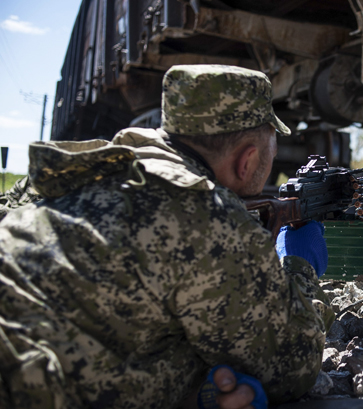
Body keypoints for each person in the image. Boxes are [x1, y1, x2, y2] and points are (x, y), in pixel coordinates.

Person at [0, 64, 334, 409]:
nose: (273, 159)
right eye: (272, 151)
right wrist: (299, 267)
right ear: (246, 161)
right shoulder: (205, 215)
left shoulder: (88, 172)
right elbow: (291, 364)